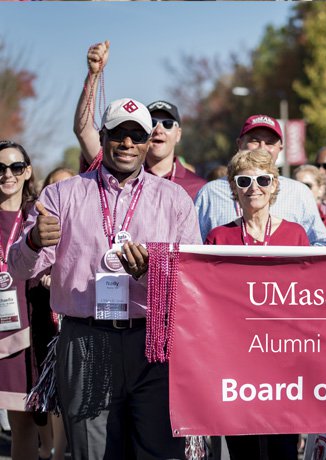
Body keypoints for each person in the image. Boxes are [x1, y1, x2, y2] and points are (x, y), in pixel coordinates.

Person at [10, 98, 201, 459]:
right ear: (103, 136)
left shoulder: (175, 200)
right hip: (85, 339)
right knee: (93, 453)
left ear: (148, 142)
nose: (128, 144)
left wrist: (154, 272)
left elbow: (194, 281)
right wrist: (33, 242)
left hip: (153, 342)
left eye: (137, 135)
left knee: (160, 451)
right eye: (119, 133)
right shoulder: (62, 196)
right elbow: (20, 270)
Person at [205, 148, 306, 458]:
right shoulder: (219, 238)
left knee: (283, 450)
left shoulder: (295, 234)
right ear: (233, 188)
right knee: (243, 451)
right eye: (244, 180)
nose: (254, 188)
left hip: (284, 362)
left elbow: (309, 298)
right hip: (236, 362)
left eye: (263, 179)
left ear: (274, 184)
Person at [73, 40, 206, 199]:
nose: (159, 129)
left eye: (168, 124)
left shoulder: (200, 187)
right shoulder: (122, 165)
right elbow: (84, 131)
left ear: (178, 134)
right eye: (153, 123)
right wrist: (94, 75)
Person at [195, 114, 326, 245]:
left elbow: (324, 246)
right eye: (254, 141)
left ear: (280, 149)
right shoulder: (209, 193)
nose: (262, 148)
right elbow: (193, 251)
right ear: (239, 144)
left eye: (270, 143)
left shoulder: (299, 192)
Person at [28, 166, 76, 460]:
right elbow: (24, 266)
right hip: (47, 330)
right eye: (57, 187)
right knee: (51, 398)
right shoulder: (38, 232)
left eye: (71, 186)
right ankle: (51, 451)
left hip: (82, 331)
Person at [0, 141, 38, 460]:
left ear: (27, 172)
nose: (7, 174)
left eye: (15, 167)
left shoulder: (38, 217)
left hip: (28, 332)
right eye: (0, 168)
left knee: (24, 421)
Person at [294, 164, 326, 245]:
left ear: (321, 189)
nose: (301, 190)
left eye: (306, 186)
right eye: (296, 186)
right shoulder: (282, 222)